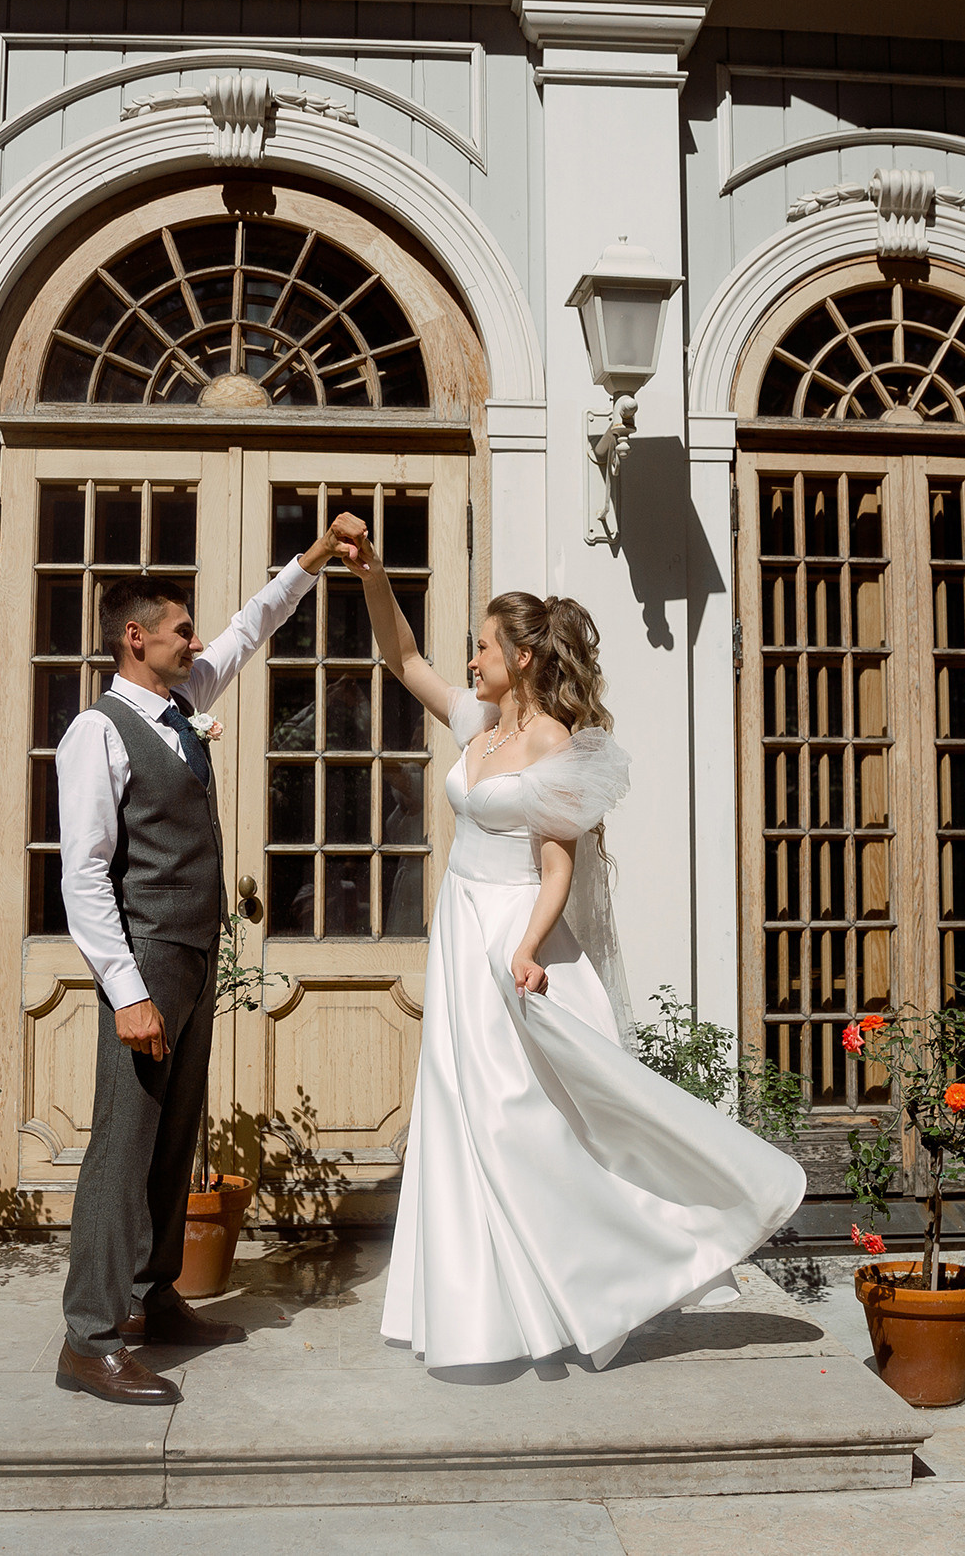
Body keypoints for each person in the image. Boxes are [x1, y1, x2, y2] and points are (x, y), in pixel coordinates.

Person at [338, 533, 807, 1372]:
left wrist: (524, 948)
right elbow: (401, 655)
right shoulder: (475, 720)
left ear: (519, 657)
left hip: (512, 933)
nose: (469, 657)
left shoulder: (555, 742)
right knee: (457, 1107)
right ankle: (478, 1308)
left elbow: (558, 864)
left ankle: (619, 1260)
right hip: (459, 922)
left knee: (514, 1116)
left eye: (482, 645)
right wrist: (375, 576)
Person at [53, 510, 369, 1406]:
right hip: (147, 959)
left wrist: (309, 562)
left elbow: (250, 627)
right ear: (135, 636)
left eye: (192, 628)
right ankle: (90, 1336)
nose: (196, 637)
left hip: (192, 955)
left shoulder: (184, 700)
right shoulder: (98, 731)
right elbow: (82, 874)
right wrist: (125, 989)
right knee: (123, 1147)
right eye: (179, 627)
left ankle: (153, 1296)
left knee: (171, 1137)